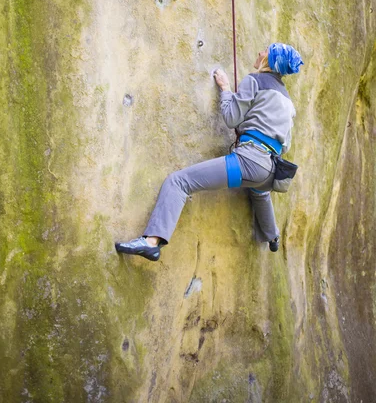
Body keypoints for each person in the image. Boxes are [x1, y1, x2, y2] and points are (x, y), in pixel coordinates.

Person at [115, 43, 303, 261]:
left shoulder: (254, 80)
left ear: (269, 61)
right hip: (269, 170)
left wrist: (225, 90)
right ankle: (273, 237)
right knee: (259, 192)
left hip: (248, 163)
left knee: (178, 182)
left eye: (265, 51)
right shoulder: (287, 101)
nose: (260, 52)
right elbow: (285, 144)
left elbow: (232, 118)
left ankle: (151, 242)